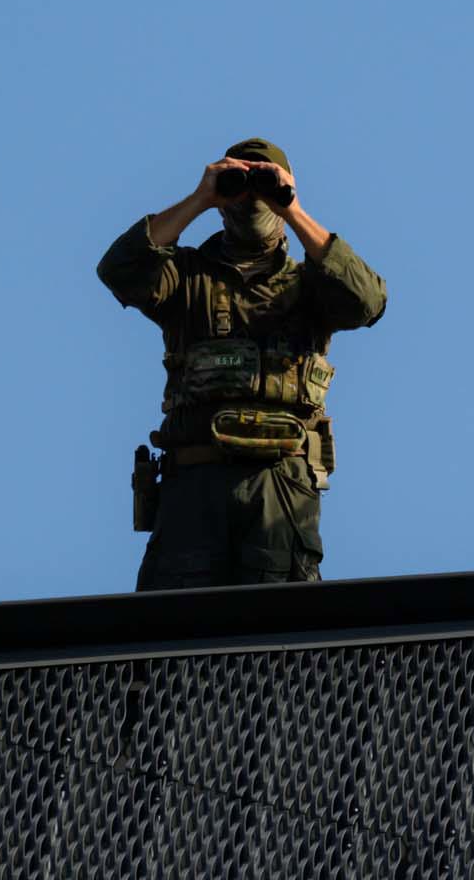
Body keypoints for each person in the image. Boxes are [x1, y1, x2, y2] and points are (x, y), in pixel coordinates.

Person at [97, 138, 387, 588]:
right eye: (243, 180)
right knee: (173, 635)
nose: (253, 196)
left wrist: (290, 206)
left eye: (264, 181)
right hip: (193, 480)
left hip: (280, 486)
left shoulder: (310, 283)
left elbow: (367, 301)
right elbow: (118, 270)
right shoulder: (186, 278)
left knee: (278, 637)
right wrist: (201, 198)